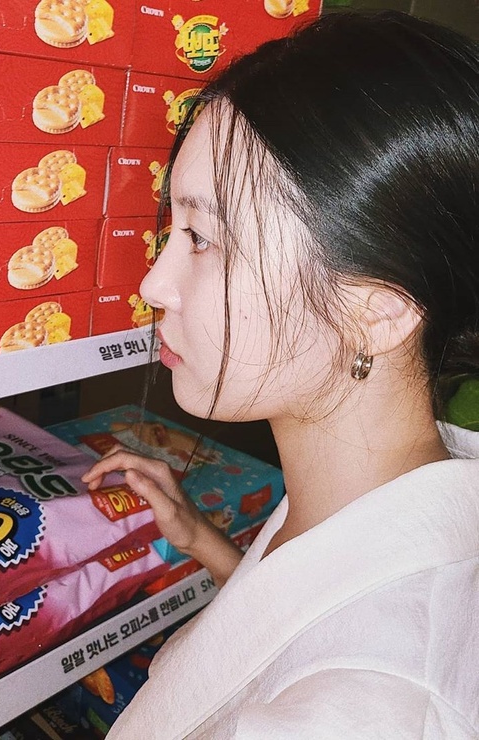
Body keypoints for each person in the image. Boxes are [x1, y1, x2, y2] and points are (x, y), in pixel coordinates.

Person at [82, 10, 479, 738]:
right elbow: (306, 621)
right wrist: (204, 540)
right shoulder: (367, 482)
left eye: (202, 238)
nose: (154, 285)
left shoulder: (370, 714)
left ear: (377, 312)